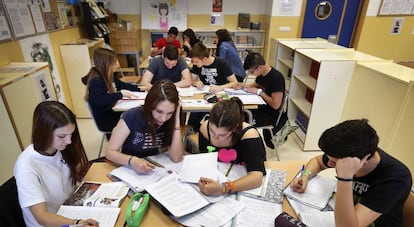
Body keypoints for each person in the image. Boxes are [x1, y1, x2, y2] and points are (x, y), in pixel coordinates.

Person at [290, 119, 412, 227]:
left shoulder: (396, 178)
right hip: (342, 214)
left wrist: (345, 178)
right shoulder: (354, 153)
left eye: (334, 161)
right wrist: (305, 175)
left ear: (361, 162)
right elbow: (318, 161)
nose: (330, 162)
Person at [14, 101, 99, 227]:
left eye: (71, 134)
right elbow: (42, 217)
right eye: (62, 136)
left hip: (70, 210)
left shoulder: (58, 148)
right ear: (44, 132)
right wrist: (76, 223)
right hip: (54, 222)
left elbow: (64, 177)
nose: (69, 141)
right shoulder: (26, 166)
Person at [106, 80, 184, 173]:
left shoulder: (172, 119)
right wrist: (133, 161)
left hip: (154, 167)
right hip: (130, 167)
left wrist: (176, 118)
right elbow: (109, 152)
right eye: (159, 111)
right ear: (150, 105)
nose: (163, 118)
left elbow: (176, 158)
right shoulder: (131, 116)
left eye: (169, 113)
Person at [197, 97, 266, 196]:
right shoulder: (205, 128)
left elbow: (256, 176)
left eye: (222, 135)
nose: (215, 137)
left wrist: (224, 188)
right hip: (215, 178)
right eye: (212, 131)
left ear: (235, 128)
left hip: (240, 183)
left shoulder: (248, 135)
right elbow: (205, 159)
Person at [84, 47, 140, 139]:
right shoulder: (96, 81)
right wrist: (120, 94)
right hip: (106, 120)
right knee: (135, 118)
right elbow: (101, 101)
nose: (117, 63)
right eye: (114, 62)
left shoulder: (109, 75)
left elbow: (122, 85)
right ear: (106, 64)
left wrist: (141, 89)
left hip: (112, 113)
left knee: (135, 114)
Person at [239, 52, 286, 149]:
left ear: (259, 67)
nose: (251, 74)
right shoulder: (262, 74)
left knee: (240, 121)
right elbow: (253, 86)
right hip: (261, 107)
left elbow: (276, 105)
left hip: (270, 115)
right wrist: (240, 86)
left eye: (252, 72)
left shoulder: (276, 78)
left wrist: (260, 92)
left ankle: (248, 147)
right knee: (238, 113)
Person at [188, 42, 238, 132]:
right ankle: (196, 135)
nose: (194, 64)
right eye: (193, 61)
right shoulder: (197, 66)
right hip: (204, 96)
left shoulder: (222, 63)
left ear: (205, 59)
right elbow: (192, 81)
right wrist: (196, 83)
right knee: (192, 122)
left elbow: (234, 83)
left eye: (196, 61)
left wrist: (220, 87)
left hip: (220, 97)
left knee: (217, 121)